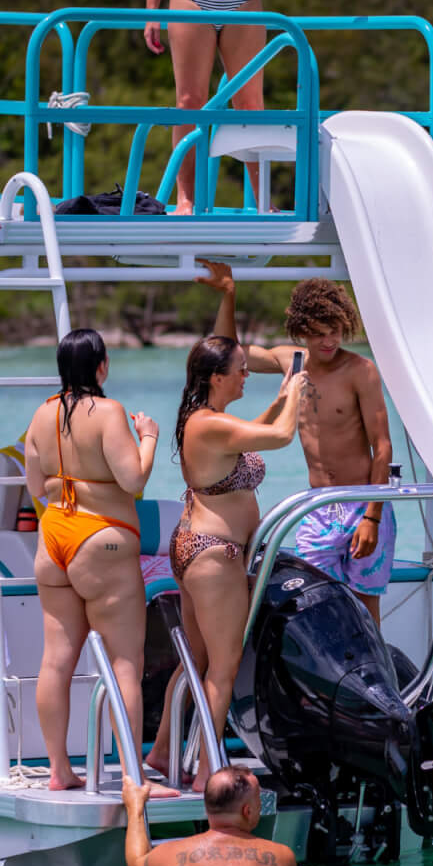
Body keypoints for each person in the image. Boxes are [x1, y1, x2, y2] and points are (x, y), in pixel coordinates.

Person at [144, 260, 300, 787]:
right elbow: (279, 438)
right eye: (239, 370)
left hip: (196, 548)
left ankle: (162, 756)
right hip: (214, 554)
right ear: (216, 378)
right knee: (223, 670)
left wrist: (229, 294)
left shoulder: (208, 421)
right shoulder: (208, 425)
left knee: (197, 664)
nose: (245, 374)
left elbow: (255, 427)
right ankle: (210, 771)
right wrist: (297, 383)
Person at [21, 330, 173, 794]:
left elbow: (33, 485)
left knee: (56, 661)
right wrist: (148, 437)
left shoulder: (42, 413)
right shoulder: (107, 413)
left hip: (54, 540)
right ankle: (132, 775)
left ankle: (59, 769)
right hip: (101, 538)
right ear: (102, 365)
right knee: (125, 662)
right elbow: (133, 478)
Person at [143, 0, 364, 215]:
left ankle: (263, 200)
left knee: (250, 103)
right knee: (190, 102)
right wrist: (151, 13)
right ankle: (185, 200)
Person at [276, 278, 395, 627]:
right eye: (317, 333)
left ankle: (376, 675)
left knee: (364, 608)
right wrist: (229, 294)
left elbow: (383, 444)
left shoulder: (361, 370)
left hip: (363, 502)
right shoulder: (293, 364)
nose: (328, 341)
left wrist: (372, 516)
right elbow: (234, 349)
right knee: (311, 601)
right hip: (319, 508)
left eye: (335, 331)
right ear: (301, 331)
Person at [122, 766, 298, 866]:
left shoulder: (167, 856)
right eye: (258, 800)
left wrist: (135, 806)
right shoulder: (281, 858)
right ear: (247, 811)